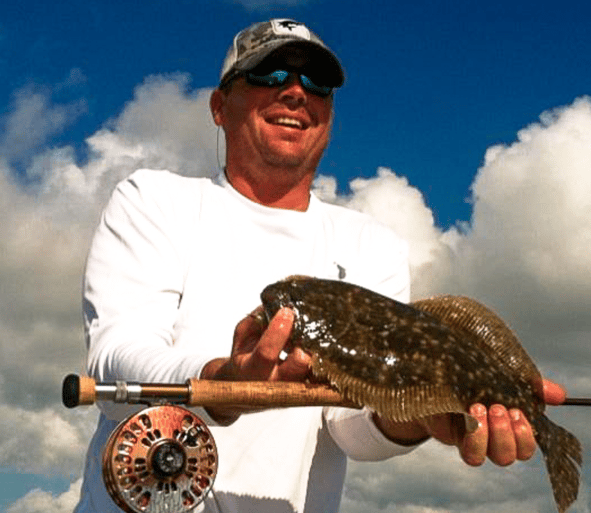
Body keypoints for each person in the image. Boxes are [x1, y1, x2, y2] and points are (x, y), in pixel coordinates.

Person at [75, 19, 566, 513]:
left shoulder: (373, 244)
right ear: (219, 106)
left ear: (329, 114)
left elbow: (352, 423)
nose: (294, 92)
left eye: (317, 84)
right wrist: (226, 381)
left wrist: (421, 419)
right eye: (268, 75)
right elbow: (117, 361)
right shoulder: (155, 200)